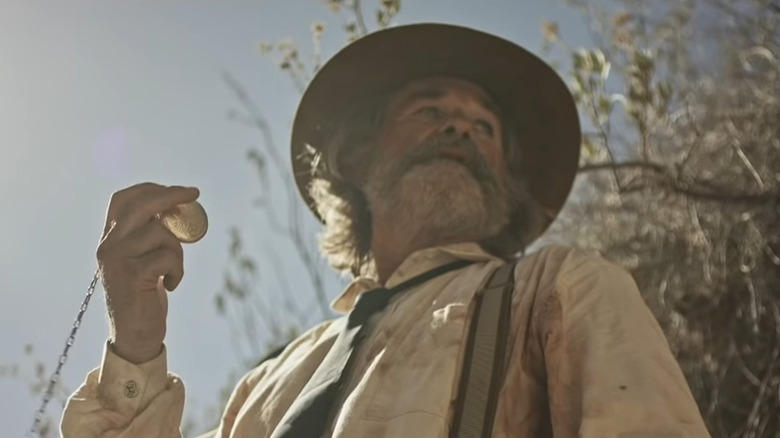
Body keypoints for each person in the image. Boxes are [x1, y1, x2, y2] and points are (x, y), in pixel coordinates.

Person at [61, 23, 711, 438]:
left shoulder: (560, 288)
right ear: (359, 156)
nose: (460, 128)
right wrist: (138, 344)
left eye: (483, 127)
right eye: (431, 109)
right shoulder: (267, 387)